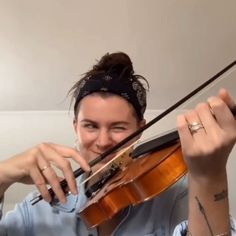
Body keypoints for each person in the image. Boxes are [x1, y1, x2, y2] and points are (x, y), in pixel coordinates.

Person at [0, 52, 235, 236]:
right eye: (90, 126)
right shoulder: (39, 207)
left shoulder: (175, 197)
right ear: (75, 127)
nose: (103, 142)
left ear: (140, 129)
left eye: (118, 128)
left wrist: (209, 178)